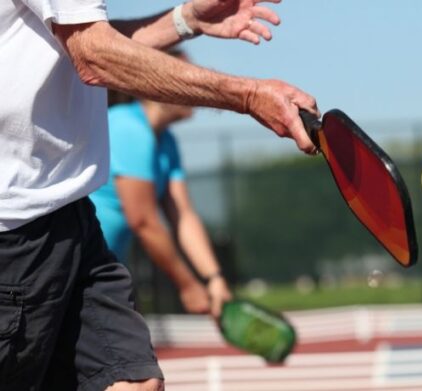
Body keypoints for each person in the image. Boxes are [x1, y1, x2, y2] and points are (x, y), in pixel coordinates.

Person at [0, 1, 319, 390]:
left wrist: (186, 20)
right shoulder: (132, 131)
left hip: (71, 222)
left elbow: (75, 40)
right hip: (16, 235)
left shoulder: (165, 144)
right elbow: (94, 54)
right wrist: (248, 95)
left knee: (137, 382)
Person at [91, 51, 232, 317]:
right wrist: (188, 285)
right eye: (186, 79)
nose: (197, 88)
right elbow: (143, 222)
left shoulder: (167, 142)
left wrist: (214, 278)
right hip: (63, 272)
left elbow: (183, 215)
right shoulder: (128, 128)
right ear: (157, 84)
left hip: (95, 275)